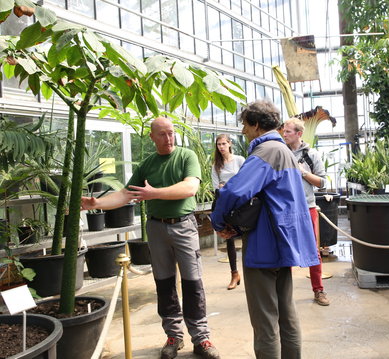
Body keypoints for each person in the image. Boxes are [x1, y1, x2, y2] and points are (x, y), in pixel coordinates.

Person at [81, 117, 220, 359]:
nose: (169, 138)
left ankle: (201, 338)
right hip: (156, 228)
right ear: (152, 137)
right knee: (164, 284)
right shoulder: (147, 164)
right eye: (163, 134)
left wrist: (154, 193)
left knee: (193, 283)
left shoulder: (186, 156)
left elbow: (189, 188)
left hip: (184, 226)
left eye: (171, 133)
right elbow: (126, 194)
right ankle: (173, 336)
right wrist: (97, 203)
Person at [211, 99, 319, 358]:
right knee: (286, 312)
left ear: (257, 124)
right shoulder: (285, 152)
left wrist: (218, 222)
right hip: (284, 242)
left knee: (265, 320)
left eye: (245, 126)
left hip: (264, 244)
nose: (243, 132)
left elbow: (235, 191)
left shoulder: (266, 151)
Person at [282, 118, 330, 306]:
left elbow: (323, 182)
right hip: (285, 209)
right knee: (285, 249)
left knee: (312, 250)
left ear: (299, 133)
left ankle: (319, 290)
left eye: (288, 132)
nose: (284, 134)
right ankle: (283, 295)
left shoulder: (311, 155)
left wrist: (303, 173)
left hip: (307, 208)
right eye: (284, 131)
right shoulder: (281, 153)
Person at [211, 134, 245, 290]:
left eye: (224, 143)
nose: (221, 147)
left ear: (230, 144)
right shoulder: (216, 165)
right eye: (219, 144)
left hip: (241, 204)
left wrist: (228, 186)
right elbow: (216, 187)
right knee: (229, 238)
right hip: (226, 204)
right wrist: (224, 188)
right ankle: (234, 274)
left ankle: (251, 272)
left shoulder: (239, 160)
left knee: (247, 237)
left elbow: (246, 181)